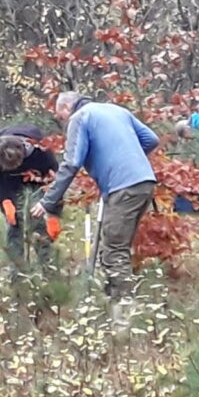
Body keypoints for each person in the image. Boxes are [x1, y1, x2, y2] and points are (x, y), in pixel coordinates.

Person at [31, 92, 159, 299]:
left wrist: (48, 201)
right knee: (118, 246)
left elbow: (71, 163)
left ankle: (123, 314)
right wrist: (126, 157)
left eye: (60, 116)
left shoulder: (80, 117)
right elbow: (151, 139)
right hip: (144, 182)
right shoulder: (117, 110)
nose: (62, 121)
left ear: (66, 108)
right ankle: (112, 301)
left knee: (114, 251)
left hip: (123, 186)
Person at [0, 124, 60, 266]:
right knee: (14, 223)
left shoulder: (42, 150)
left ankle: (48, 267)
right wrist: (5, 201)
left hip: (38, 182)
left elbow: (56, 183)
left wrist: (53, 214)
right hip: (9, 184)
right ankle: (17, 271)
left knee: (38, 221)